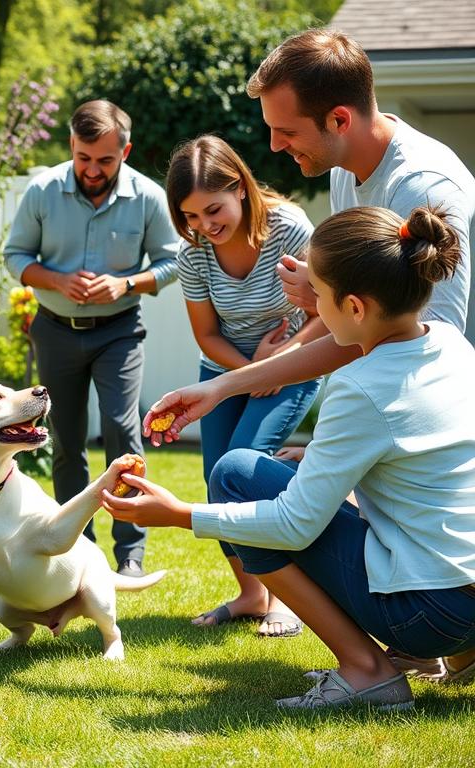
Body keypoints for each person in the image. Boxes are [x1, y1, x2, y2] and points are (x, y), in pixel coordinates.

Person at [148, 29, 475, 677]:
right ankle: (454, 643)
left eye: (284, 129)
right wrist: (220, 388)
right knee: (281, 470)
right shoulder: (354, 176)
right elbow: (365, 331)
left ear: (340, 118)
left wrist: (175, 514)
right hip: (438, 502)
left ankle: (374, 667)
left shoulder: (423, 187)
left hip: (434, 482)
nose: (271, 146)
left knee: (245, 482)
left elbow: (402, 351)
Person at [107, 205, 475, 710]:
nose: (314, 312)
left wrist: (178, 516)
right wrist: (313, 448)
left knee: (237, 474)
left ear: (355, 307)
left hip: (429, 616)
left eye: (318, 297)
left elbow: (293, 525)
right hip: (465, 602)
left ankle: (367, 672)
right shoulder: (452, 344)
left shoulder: (359, 387)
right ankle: (464, 655)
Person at [2, 99, 178, 577]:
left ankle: (131, 553)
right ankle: (78, 547)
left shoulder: (147, 196)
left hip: (119, 331)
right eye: (83, 158)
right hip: (54, 329)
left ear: (126, 150)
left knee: (122, 430)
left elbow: (172, 260)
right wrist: (56, 280)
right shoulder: (42, 190)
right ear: (72, 147)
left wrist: (127, 283)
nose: (92, 169)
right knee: (66, 439)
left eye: (105, 160)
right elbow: (15, 255)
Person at [165, 135, 326, 636]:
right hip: (223, 370)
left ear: (239, 187)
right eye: (191, 217)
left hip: (295, 364)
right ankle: (253, 594)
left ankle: (288, 601)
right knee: (218, 478)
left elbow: (328, 310)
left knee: (246, 464)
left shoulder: (290, 230)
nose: (204, 226)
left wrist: (278, 359)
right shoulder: (193, 253)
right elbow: (206, 334)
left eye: (213, 210)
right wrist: (243, 374)